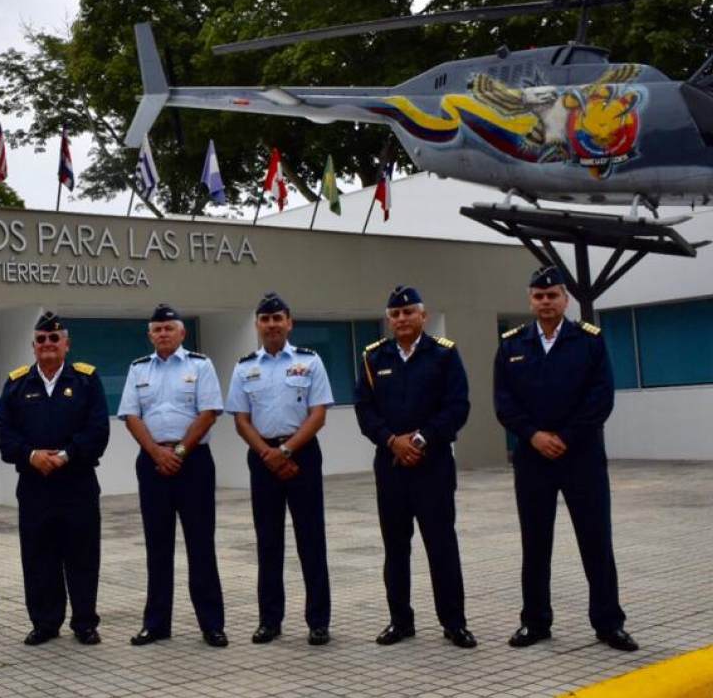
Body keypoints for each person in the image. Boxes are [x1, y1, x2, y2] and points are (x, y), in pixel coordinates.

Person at [495, 266, 637, 652]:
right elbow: (504, 404)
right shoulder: (511, 345)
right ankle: (535, 621)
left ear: (565, 299)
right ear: (530, 300)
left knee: (596, 541)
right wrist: (534, 436)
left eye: (552, 295)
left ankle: (609, 623)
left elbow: (601, 397)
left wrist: (566, 436)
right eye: (538, 296)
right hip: (533, 458)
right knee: (535, 543)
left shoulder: (589, 341)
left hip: (582, 457)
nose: (545, 302)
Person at [355, 286, 475, 649]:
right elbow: (365, 410)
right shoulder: (374, 357)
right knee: (395, 547)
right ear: (389, 319)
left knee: (441, 546)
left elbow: (457, 406)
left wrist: (421, 440)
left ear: (423, 316)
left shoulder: (443, 355)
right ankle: (400, 620)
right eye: (395, 314)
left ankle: (454, 623)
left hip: (433, 465)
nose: (402, 319)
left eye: (409, 313)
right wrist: (393, 441)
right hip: (391, 466)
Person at [0, 311, 110, 646]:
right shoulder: (17, 383)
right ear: (33, 346)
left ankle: (85, 622)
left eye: (54, 339)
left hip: (78, 483)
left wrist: (64, 455)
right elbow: (4, 431)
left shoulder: (86, 380)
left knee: (83, 556)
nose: (47, 344)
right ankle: (45, 622)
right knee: (38, 556)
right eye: (41, 340)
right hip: (34, 486)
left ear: (66, 344)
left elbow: (98, 429)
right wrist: (32, 456)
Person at [227, 292, 333, 646]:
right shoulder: (244, 367)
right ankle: (270, 621)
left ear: (289, 323)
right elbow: (241, 421)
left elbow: (318, 414)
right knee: (268, 543)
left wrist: (285, 450)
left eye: (278, 318)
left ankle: (318, 621)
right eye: (265, 319)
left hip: (302, 454)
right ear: (257, 325)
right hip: (262, 459)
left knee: (311, 541)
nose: (271, 325)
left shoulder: (310, 361)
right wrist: (268, 454)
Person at [118, 303, 227, 647]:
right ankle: (156, 623)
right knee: (157, 546)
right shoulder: (138, 369)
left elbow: (209, 412)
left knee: (200, 545)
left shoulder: (201, 365)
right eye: (157, 329)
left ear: (182, 333)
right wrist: (156, 452)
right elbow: (131, 415)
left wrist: (178, 452)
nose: (162, 334)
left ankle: (212, 624)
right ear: (150, 335)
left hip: (192, 463)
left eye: (169, 328)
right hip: (152, 462)